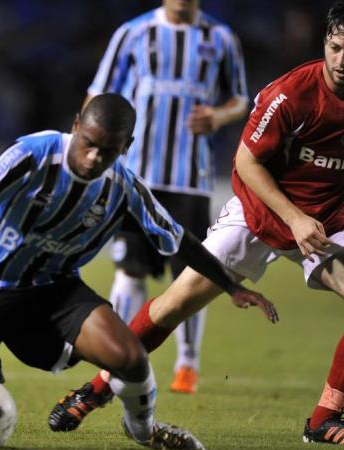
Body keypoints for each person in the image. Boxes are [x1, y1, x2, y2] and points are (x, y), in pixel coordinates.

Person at [48, 0, 344, 446]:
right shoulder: (290, 94)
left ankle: (324, 419)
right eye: (335, 47)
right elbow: (246, 162)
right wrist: (294, 218)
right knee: (171, 307)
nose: (341, 60)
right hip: (258, 216)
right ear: (325, 42)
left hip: (327, 225)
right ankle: (96, 389)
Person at [0, 93, 277, 450]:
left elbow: (178, 238)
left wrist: (229, 286)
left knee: (129, 357)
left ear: (126, 147)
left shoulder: (124, 187)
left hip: (52, 290)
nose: (95, 157)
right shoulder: (33, 155)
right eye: (89, 144)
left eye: (108, 151)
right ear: (76, 126)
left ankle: (144, 430)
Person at [88, 0, 249, 396]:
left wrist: (218, 116)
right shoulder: (132, 33)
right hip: (136, 175)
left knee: (190, 275)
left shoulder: (221, 38)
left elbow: (240, 99)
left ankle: (187, 365)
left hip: (189, 178)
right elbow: (98, 93)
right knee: (130, 269)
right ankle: (119, 355)